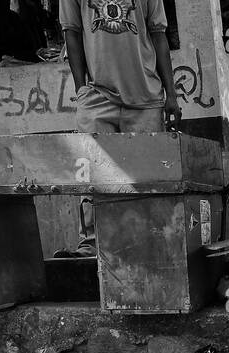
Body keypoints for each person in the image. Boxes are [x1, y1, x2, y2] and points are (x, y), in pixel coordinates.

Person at [57, 0, 181, 257]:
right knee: (92, 176)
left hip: (145, 100)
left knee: (147, 179)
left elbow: (159, 36)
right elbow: (72, 33)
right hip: (96, 97)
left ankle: (148, 243)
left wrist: (172, 96)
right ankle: (90, 243)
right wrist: (81, 89)